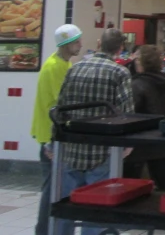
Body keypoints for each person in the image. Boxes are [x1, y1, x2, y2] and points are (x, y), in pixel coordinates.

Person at [55, 28, 134, 235]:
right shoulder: (119, 72)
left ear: (99, 43)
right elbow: (127, 113)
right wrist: (128, 145)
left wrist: (53, 142)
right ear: (120, 48)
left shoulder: (74, 68)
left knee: (66, 205)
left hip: (72, 149)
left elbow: (60, 107)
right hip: (102, 150)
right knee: (96, 209)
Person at [31, 24, 83, 235]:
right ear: (67, 44)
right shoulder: (55, 67)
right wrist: (51, 142)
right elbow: (59, 106)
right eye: (77, 41)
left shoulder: (62, 64)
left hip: (54, 136)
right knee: (52, 190)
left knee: (57, 189)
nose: (80, 44)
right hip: (51, 138)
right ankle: (44, 231)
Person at [123, 45, 165, 190]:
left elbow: (130, 113)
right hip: (164, 140)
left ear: (140, 63)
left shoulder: (137, 85)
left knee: (130, 186)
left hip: (141, 143)